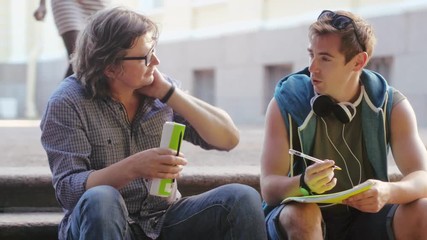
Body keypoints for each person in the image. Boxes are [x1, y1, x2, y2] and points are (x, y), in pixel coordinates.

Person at [40, 7, 267, 240]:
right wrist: (133, 168)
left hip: (163, 219)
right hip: (103, 221)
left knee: (242, 198)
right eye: (146, 57)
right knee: (102, 199)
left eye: (154, 51)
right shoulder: (67, 102)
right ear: (110, 67)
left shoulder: (158, 89)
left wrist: (169, 93)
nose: (156, 62)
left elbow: (228, 138)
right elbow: (68, 190)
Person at [260, 9, 427, 240]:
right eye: (312, 55)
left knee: (423, 211)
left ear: (358, 61)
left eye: (325, 58)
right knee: (303, 215)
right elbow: (268, 188)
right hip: (303, 216)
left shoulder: (391, 104)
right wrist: (304, 183)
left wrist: (389, 191)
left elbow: (422, 176)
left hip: (366, 219)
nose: (312, 68)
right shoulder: (286, 102)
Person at [34, 0, 110, 78]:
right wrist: (42, 4)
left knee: (100, 57)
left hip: (98, 3)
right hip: (67, 2)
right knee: (78, 58)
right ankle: (65, 90)